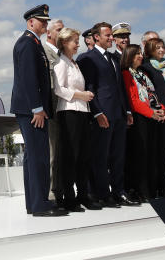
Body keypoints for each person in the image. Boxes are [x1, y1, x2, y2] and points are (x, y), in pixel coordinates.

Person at [11, 4, 68, 217]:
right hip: (31, 110)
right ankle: (39, 204)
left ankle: (34, 202)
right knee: (38, 157)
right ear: (30, 22)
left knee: (34, 157)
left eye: (46, 21)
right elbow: (28, 79)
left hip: (31, 108)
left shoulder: (34, 43)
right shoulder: (28, 43)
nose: (45, 24)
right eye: (41, 21)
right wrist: (37, 108)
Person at [78, 22, 138, 207]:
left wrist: (127, 110)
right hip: (103, 115)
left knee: (118, 156)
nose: (112, 38)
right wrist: (97, 113)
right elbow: (89, 88)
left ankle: (119, 192)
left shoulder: (113, 59)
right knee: (101, 157)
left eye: (112, 35)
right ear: (97, 37)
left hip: (119, 114)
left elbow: (121, 87)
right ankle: (103, 194)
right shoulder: (87, 58)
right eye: (108, 35)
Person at [51, 27, 96, 211]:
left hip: (82, 112)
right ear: (64, 43)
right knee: (70, 156)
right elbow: (58, 89)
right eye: (74, 41)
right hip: (69, 112)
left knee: (83, 155)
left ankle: (82, 195)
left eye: (78, 41)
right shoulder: (61, 63)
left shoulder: (74, 63)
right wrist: (80, 95)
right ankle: (69, 197)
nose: (78, 44)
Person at [122, 44, 165, 202]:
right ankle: (141, 191)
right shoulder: (126, 73)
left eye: (141, 53)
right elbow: (132, 100)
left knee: (152, 155)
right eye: (137, 54)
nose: (140, 56)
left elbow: (153, 94)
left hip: (152, 117)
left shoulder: (143, 73)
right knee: (141, 155)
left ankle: (152, 190)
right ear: (129, 56)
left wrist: (161, 110)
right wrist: (151, 113)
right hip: (139, 119)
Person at [141, 37, 165, 197]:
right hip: (159, 115)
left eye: (163, 47)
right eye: (157, 48)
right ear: (150, 50)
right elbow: (150, 93)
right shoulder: (147, 68)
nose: (161, 50)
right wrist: (158, 110)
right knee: (161, 153)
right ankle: (163, 187)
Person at [44, 19, 65, 201]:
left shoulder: (64, 55)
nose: (62, 32)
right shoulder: (44, 52)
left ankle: (61, 189)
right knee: (52, 153)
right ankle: (51, 192)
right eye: (59, 29)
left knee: (61, 153)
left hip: (64, 111)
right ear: (49, 33)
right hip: (52, 110)